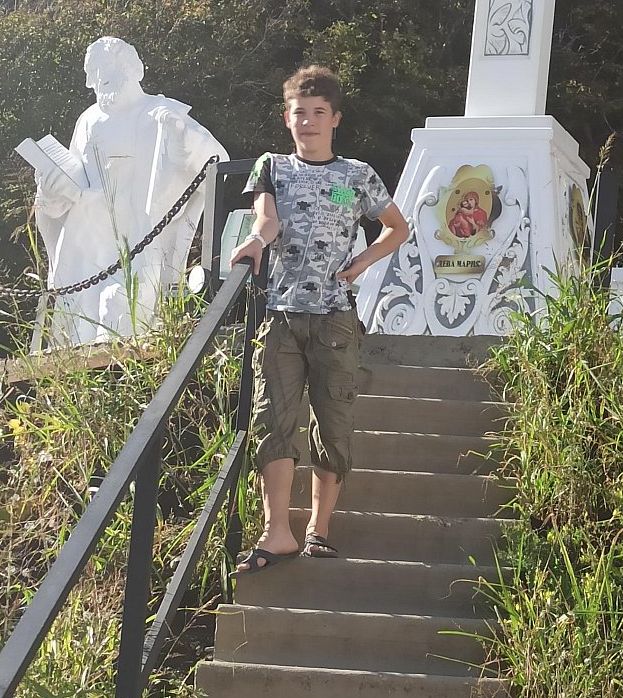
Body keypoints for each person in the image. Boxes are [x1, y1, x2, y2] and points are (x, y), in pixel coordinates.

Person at [229, 65, 409, 567]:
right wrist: (256, 241)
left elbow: (396, 227)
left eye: (318, 112)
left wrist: (362, 263)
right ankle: (276, 533)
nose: (307, 121)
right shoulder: (272, 167)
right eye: (299, 113)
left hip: (334, 319)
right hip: (282, 315)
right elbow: (267, 218)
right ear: (287, 118)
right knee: (273, 419)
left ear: (335, 119)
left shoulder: (354, 176)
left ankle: (318, 528)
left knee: (333, 422)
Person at [33, 37, 226, 345]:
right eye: (94, 70)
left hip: (141, 248)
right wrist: (52, 189)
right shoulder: (88, 121)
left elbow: (218, 165)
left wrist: (184, 145)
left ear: (133, 68)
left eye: (106, 66)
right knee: (78, 332)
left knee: (117, 310)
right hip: (89, 250)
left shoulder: (162, 115)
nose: (99, 77)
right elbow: (71, 186)